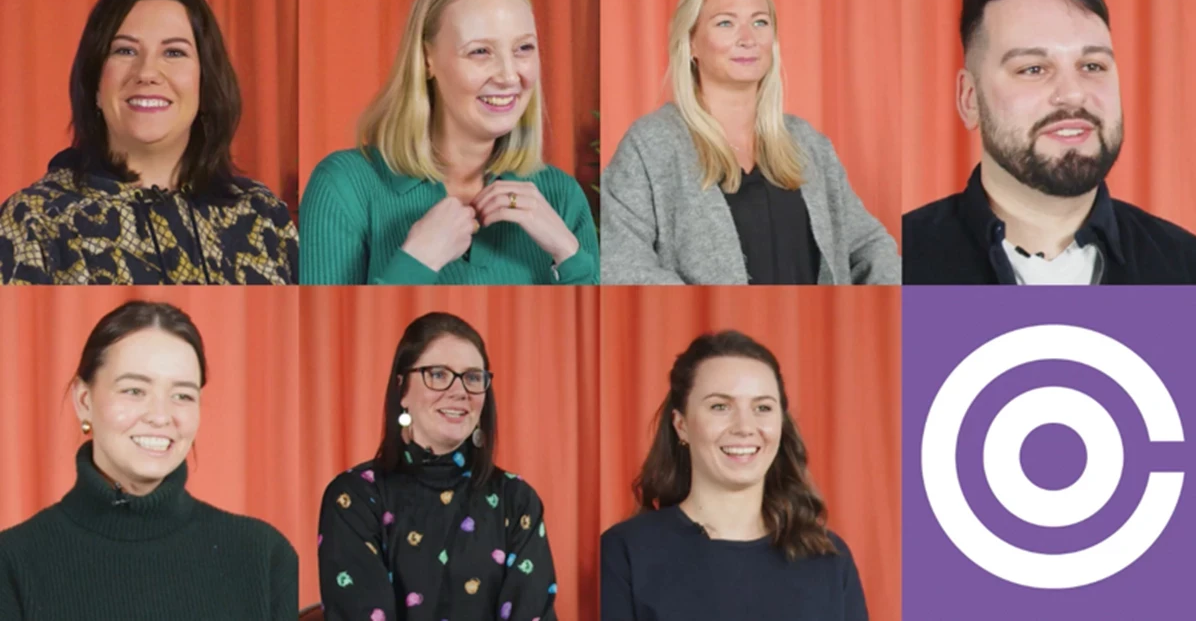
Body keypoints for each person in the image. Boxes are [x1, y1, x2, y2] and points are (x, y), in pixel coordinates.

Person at [300, 0, 598, 285]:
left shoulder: (562, 195)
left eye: (523, 48)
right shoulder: (343, 187)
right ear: (427, 59)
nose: (510, 75)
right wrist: (417, 261)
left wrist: (567, 250)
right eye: (480, 52)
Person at [903, 0, 1196, 284]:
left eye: (1092, 66)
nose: (1073, 94)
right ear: (970, 99)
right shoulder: (897, 262)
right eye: (1033, 69)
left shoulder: (1188, 269)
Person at [600, 0, 898, 285]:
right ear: (692, 44)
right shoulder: (649, 145)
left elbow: (868, 244)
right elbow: (622, 265)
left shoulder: (808, 143)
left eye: (760, 22)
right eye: (726, 23)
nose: (748, 39)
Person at [0, 301, 299, 619]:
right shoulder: (12, 561)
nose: (160, 416)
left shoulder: (263, 555)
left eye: (182, 395)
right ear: (84, 401)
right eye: (133, 391)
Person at [0, 0, 298, 285]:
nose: (147, 73)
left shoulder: (262, 214)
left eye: (174, 52)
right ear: (96, 86)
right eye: (125, 51)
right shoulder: (32, 222)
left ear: (205, 83)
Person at [600, 331, 868, 621]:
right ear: (681, 425)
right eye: (720, 407)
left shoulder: (830, 560)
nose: (744, 426)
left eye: (762, 408)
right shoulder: (626, 552)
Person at [317, 312, 557, 620]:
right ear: (402, 389)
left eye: (472, 377)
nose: (460, 392)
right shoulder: (355, 496)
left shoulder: (517, 499)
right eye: (439, 374)